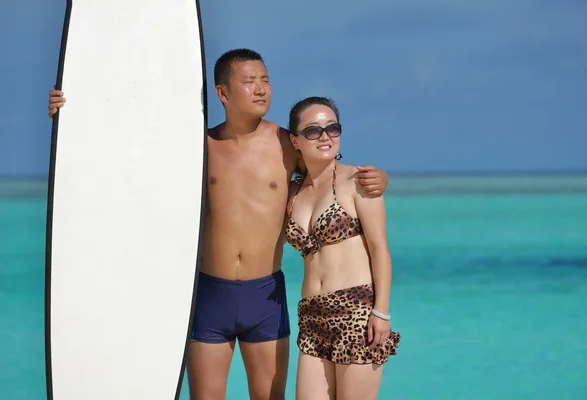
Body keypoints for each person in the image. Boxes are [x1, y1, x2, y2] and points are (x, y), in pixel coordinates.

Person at [47, 49, 390, 400]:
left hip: (265, 296)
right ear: (222, 93)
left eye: (266, 80)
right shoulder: (200, 146)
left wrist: (379, 179)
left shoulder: (287, 146)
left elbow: (332, 169)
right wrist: (72, 115)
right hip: (210, 292)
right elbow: (131, 149)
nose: (261, 89)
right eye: (249, 82)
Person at [284, 96, 400, 400]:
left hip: (356, 312)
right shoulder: (292, 192)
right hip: (311, 316)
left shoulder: (359, 181)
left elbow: (380, 250)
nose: (325, 136)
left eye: (332, 128)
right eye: (313, 130)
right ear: (295, 140)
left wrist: (382, 312)